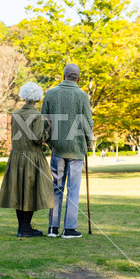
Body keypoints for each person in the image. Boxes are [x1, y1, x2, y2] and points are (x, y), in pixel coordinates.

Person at [41, 64, 93, 239]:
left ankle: (52, 228)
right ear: (78, 78)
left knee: (56, 187)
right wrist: (89, 142)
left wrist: (49, 141)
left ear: (63, 76)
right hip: (77, 149)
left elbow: (44, 120)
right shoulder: (83, 96)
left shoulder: (50, 93)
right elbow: (87, 122)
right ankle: (69, 229)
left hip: (57, 148)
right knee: (73, 188)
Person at [0, 82, 54, 238]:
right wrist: (48, 128)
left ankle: (22, 227)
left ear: (23, 97)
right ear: (37, 99)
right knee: (30, 192)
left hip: (16, 156)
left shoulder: (15, 115)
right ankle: (25, 229)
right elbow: (37, 138)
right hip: (32, 156)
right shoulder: (37, 116)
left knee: (19, 192)